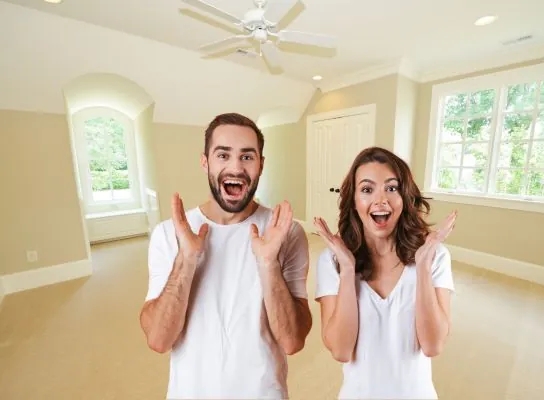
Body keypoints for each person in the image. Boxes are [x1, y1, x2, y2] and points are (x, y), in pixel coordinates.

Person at [139, 113, 312, 399]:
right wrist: (186, 260)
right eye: (223, 155)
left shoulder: (286, 232)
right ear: (205, 162)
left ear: (261, 165)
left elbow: (292, 341)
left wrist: (268, 264)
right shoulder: (169, 233)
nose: (236, 167)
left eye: (247, 157)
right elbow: (158, 339)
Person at [313, 146, 457, 400]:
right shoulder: (333, 262)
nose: (381, 200)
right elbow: (341, 350)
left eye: (391, 188)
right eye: (367, 190)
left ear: (405, 197)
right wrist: (347, 270)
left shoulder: (435, 257)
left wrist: (422, 268)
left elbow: (433, 345)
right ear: (354, 201)